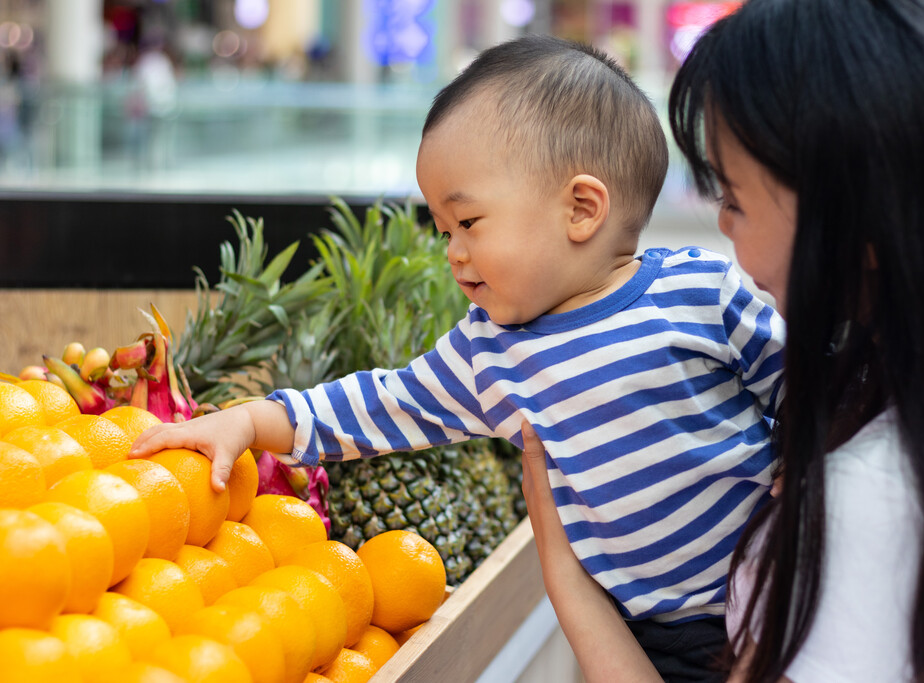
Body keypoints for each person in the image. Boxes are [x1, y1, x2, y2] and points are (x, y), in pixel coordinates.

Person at [130, 35, 785, 680]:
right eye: (442, 230)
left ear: (582, 209)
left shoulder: (702, 290)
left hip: (784, 585)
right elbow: (376, 405)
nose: (452, 251)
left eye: (468, 223)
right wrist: (248, 420)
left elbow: (816, 399)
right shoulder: (489, 353)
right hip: (652, 638)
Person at [519, 0, 924, 681]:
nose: (724, 227)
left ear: (859, 220)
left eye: (733, 198)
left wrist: (570, 583)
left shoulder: (864, 509)